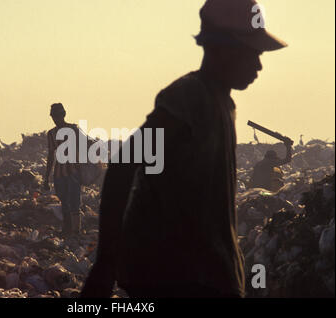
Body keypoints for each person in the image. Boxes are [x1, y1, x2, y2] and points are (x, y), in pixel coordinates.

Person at [81, 0, 287, 298]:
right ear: (222, 48)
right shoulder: (189, 97)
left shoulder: (222, 104)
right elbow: (124, 163)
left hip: (206, 277)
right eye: (252, 53)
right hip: (177, 277)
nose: (258, 65)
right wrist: (105, 264)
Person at [44, 103, 82, 236]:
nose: (56, 119)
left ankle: (76, 231)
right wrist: (46, 178)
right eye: (54, 116)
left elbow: (83, 148)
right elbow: (50, 156)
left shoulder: (73, 129)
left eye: (58, 116)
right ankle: (67, 229)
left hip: (74, 172)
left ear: (63, 115)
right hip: (59, 174)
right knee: (64, 202)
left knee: (74, 202)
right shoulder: (51, 134)